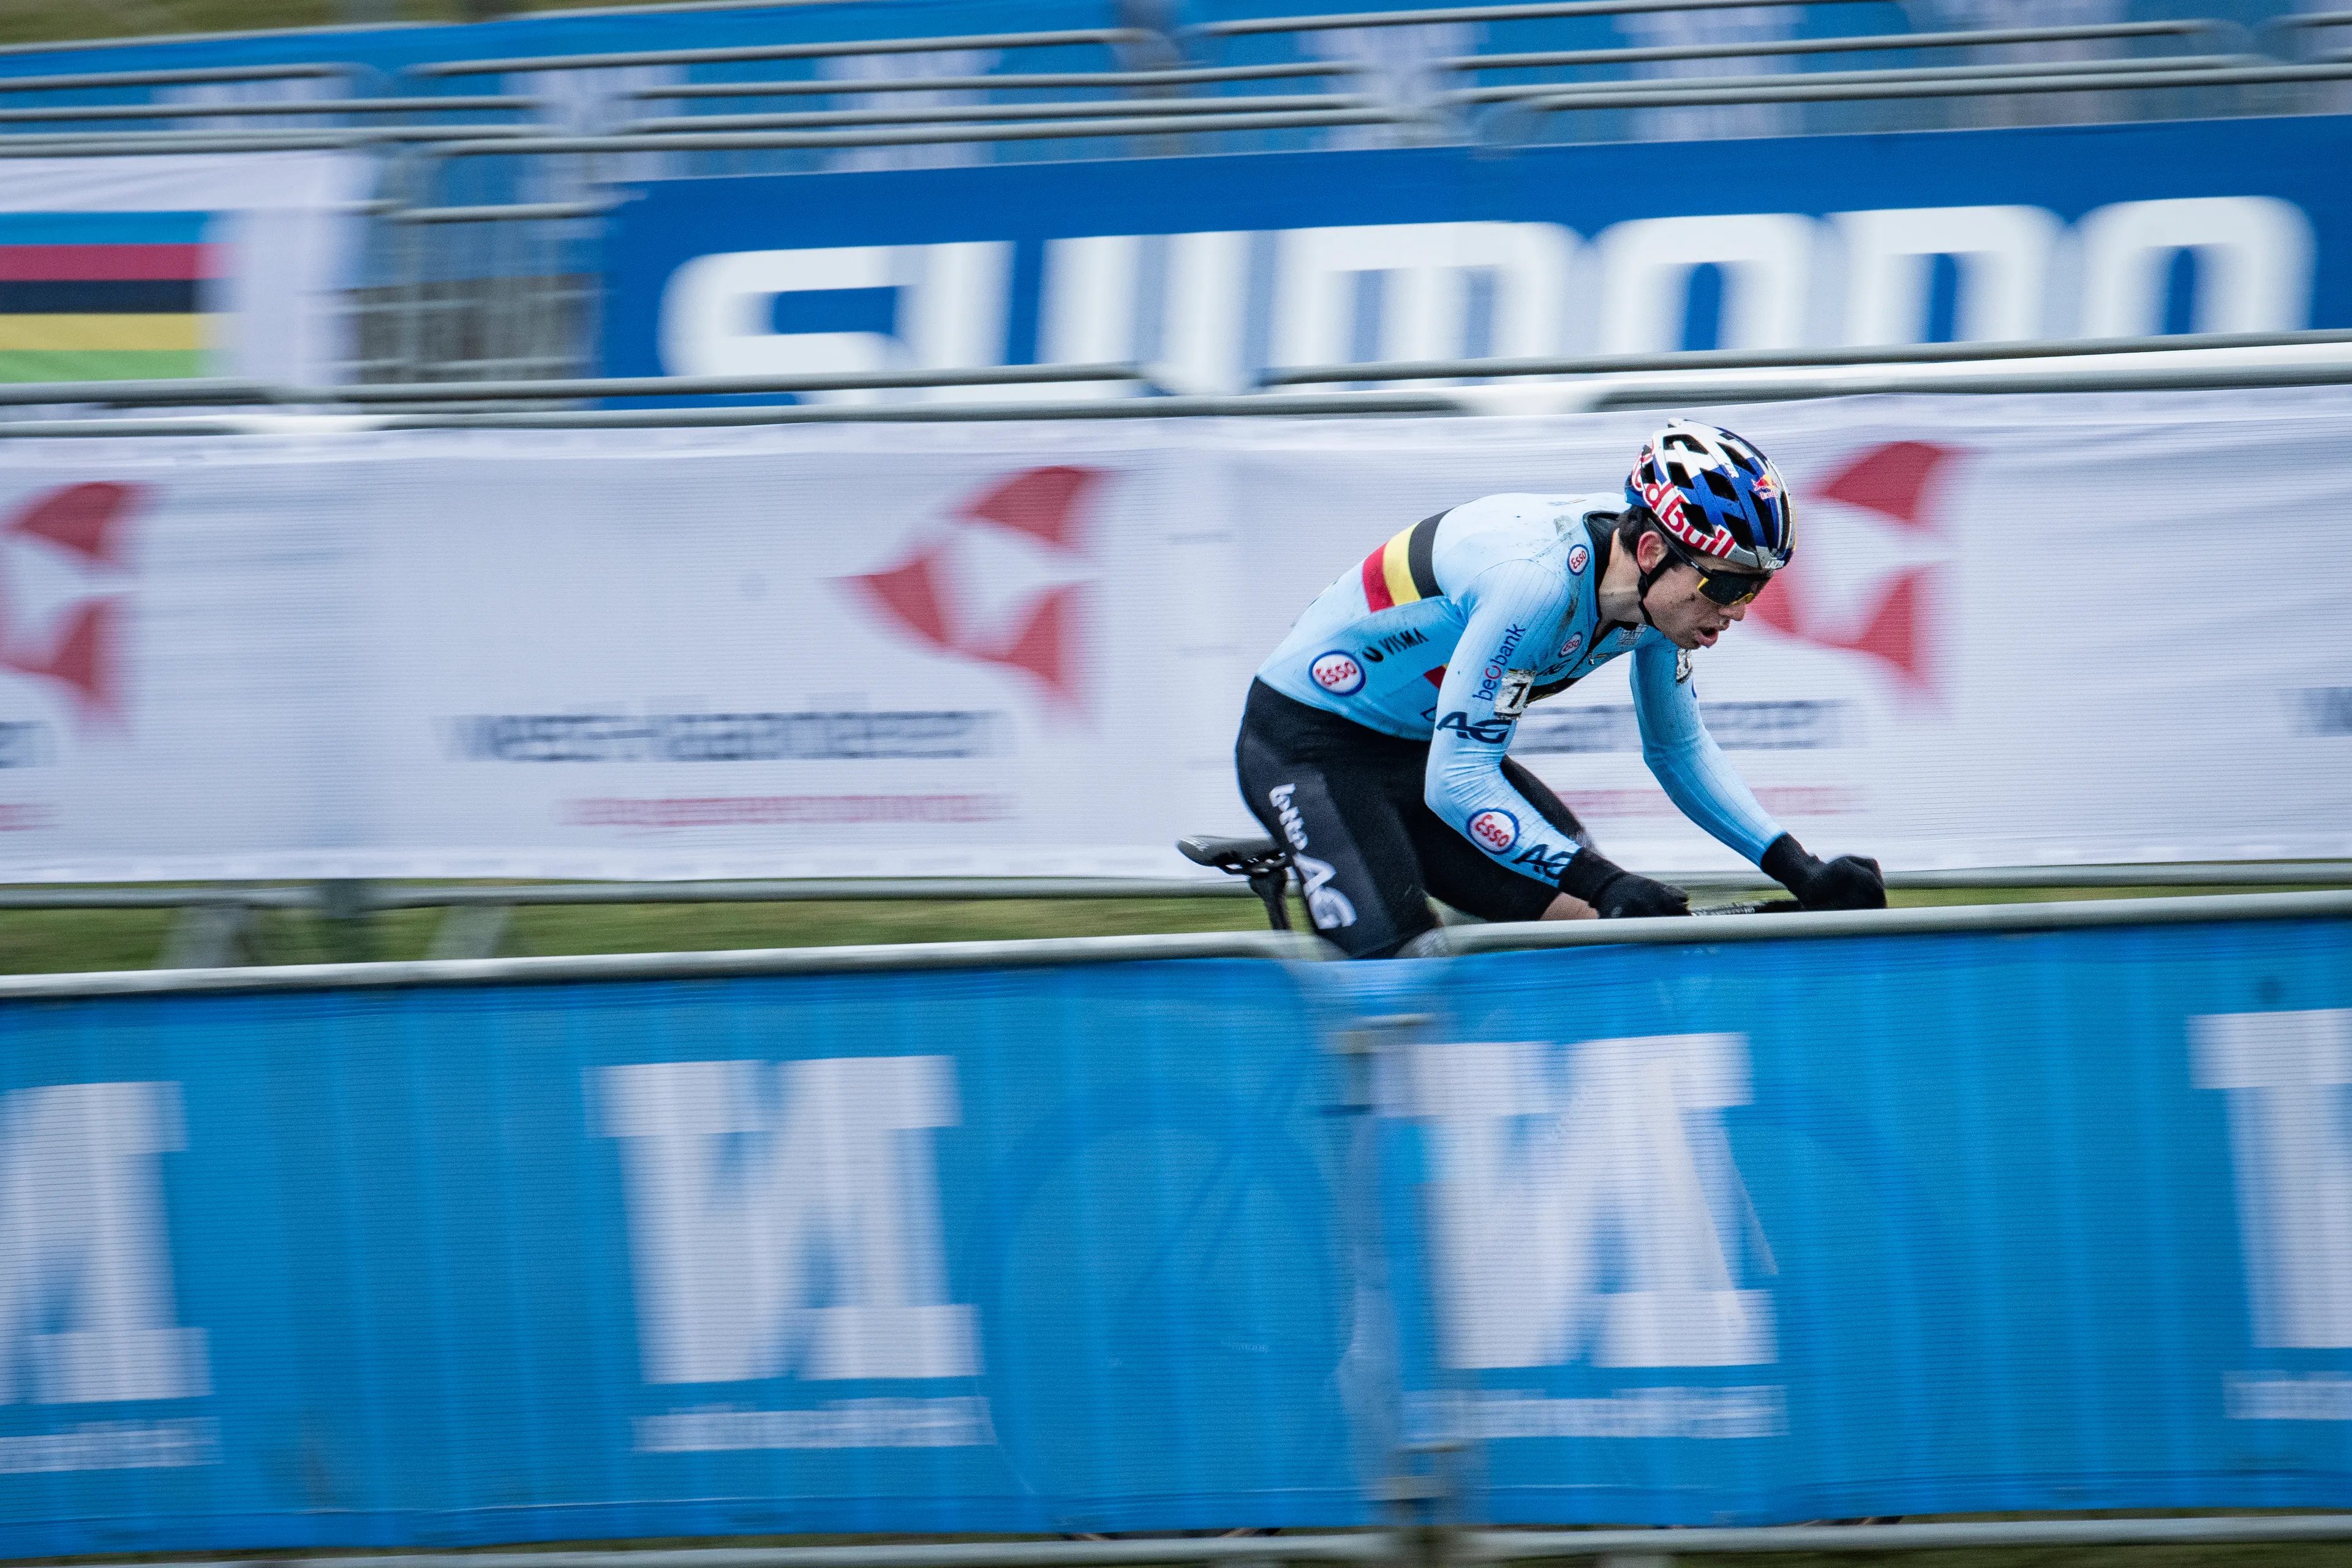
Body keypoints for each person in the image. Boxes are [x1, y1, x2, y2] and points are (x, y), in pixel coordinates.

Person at [1236, 417, 1885, 959]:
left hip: (1413, 747)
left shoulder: (1656, 607)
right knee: (1400, 977)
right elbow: (1459, 780)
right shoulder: (1536, 583)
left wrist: (1801, 870)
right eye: (1727, 585)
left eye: (1756, 588)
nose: (1739, 610)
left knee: (1597, 938)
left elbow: (1679, 750)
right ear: (1655, 550)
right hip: (1310, 746)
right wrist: (1605, 884)